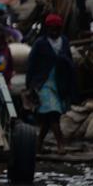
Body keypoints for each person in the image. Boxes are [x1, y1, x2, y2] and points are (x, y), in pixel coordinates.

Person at [27, 13, 76, 154]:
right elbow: (31, 64)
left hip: (59, 83)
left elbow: (70, 63)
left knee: (50, 117)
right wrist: (29, 85)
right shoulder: (40, 43)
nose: (54, 31)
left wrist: (72, 86)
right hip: (43, 84)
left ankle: (38, 144)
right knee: (53, 111)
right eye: (51, 28)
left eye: (56, 29)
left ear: (60, 28)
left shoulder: (64, 42)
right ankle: (60, 144)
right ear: (46, 28)